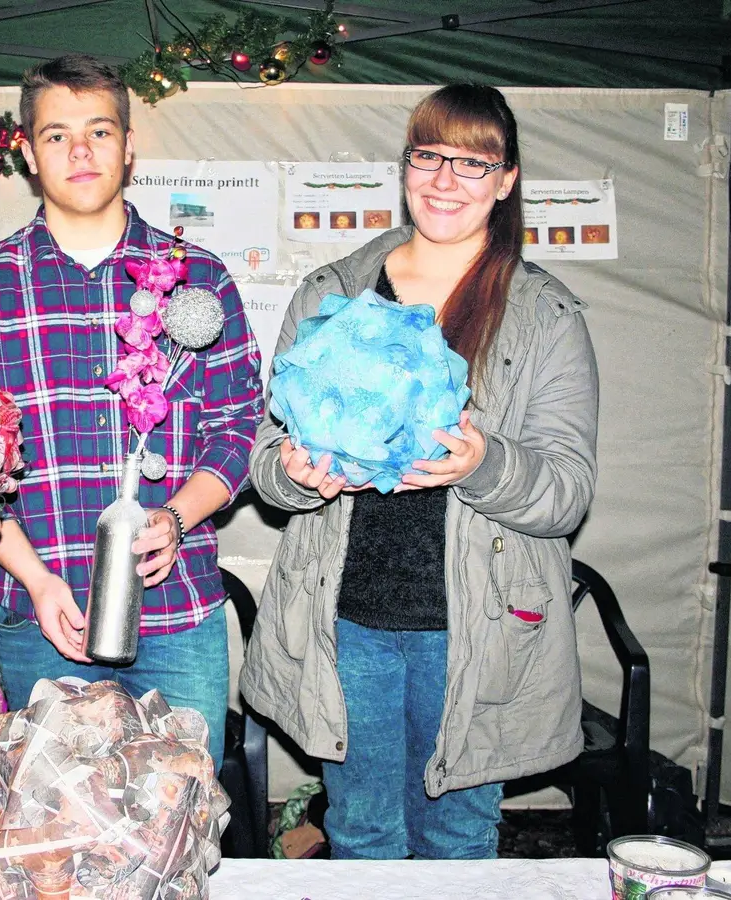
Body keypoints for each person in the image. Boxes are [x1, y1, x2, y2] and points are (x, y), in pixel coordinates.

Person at [239, 84, 599, 860]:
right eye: (428, 156)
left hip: (479, 630)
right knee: (361, 831)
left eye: (473, 163)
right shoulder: (331, 293)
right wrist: (300, 476)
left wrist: (483, 462)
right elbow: (266, 462)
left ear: (507, 181)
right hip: (348, 621)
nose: (445, 179)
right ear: (405, 167)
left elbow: (566, 491)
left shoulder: (544, 315)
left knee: (458, 836)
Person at [0, 54, 262, 767]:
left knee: (178, 827)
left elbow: (238, 424)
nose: (82, 151)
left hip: (176, 614)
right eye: (57, 135)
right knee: (53, 832)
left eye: (100, 130)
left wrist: (178, 516)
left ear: (128, 146)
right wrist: (34, 577)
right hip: (38, 610)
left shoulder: (200, 276)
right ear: (27, 152)